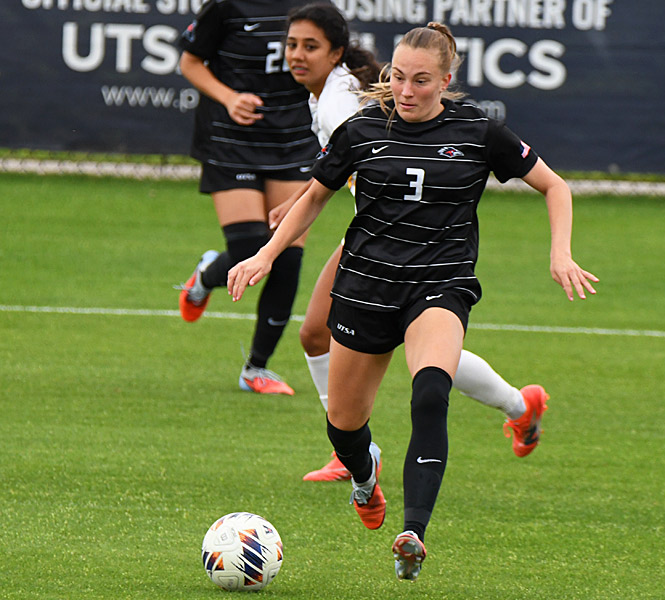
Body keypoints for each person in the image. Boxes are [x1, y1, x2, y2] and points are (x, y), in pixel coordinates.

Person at [228, 22, 598, 581]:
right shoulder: (361, 130)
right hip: (364, 288)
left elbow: (556, 186)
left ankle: (413, 535)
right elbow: (315, 197)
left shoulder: (478, 131)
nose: (405, 90)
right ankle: (364, 480)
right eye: (397, 76)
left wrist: (561, 253)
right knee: (344, 427)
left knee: (430, 392)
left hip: (439, 285)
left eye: (421, 80)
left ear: (446, 81)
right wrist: (266, 254)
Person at [277, 3, 553, 483]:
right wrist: (299, 202)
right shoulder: (327, 96)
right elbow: (337, 170)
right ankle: (516, 405)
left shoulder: (340, 103)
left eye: (309, 47)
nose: (297, 56)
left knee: (398, 347)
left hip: (390, 235)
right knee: (343, 337)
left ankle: (352, 450)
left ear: (335, 53)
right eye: (292, 45)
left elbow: (371, 168)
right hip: (376, 233)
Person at [176, 0, 327, 395]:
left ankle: (256, 368)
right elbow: (190, 62)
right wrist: (229, 97)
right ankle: (205, 277)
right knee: (250, 249)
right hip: (231, 141)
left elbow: (335, 61)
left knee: (287, 254)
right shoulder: (226, 6)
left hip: (293, 141)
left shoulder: (315, 8)